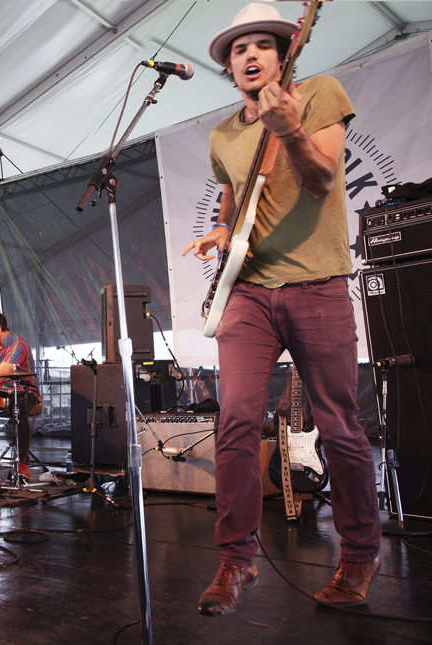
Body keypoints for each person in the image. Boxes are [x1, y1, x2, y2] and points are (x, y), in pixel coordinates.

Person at [182, 2, 381, 616]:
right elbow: (231, 189)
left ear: (284, 53)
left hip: (318, 285)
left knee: (339, 425)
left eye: (261, 46)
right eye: (237, 50)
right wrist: (221, 228)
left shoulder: (317, 93)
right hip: (249, 293)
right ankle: (236, 562)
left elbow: (322, 180)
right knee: (236, 421)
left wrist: (290, 128)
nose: (248, 56)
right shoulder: (223, 134)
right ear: (229, 66)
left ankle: (359, 554)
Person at [0, 309, 40, 483]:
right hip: (3, 391)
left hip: (24, 391)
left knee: (18, 410)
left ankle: (22, 465)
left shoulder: (18, 344)